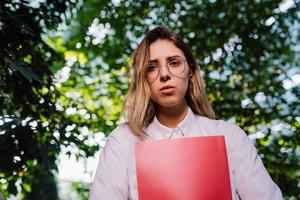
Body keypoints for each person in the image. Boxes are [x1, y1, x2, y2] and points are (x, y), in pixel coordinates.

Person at [89, 26, 283, 200]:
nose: (164, 74)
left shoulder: (229, 137)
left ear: (190, 70)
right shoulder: (122, 141)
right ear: (143, 78)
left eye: (174, 62)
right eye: (152, 67)